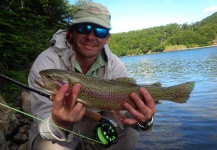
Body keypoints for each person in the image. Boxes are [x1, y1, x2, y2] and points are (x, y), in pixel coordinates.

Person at [28, 1, 156, 150]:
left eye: (100, 31)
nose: (91, 36)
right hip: (57, 134)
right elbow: (41, 118)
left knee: (131, 133)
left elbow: (129, 115)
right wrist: (58, 123)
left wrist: (145, 121)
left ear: (107, 38)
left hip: (95, 126)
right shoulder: (47, 63)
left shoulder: (115, 65)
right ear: (71, 31)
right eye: (84, 28)